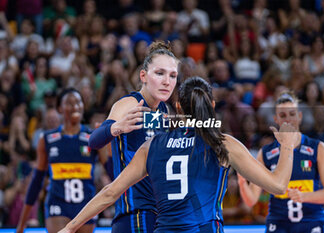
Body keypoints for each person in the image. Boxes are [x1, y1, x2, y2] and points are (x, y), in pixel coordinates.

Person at [58, 76, 298, 233]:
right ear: (212, 106)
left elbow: (110, 193)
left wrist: (70, 228)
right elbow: (278, 186)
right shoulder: (223, 144)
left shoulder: (152, 145)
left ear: (179, 107)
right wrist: (286, 146)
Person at [87, 41, 179, 233]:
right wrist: (116, 127)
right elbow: (93, 141)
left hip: (159, 213)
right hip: (135, 213)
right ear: (143, 76)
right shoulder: (130, 104)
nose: (166, 81)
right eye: (160, 73)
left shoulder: (163, 110)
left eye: (172, 76)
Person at [238, 91, 324, 233]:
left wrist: (304, 196)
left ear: (300, 116)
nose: (288, 119)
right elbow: (251, 200)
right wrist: (242, 182)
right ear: (276, 119)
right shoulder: (266, 153)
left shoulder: (317, 147)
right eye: (283, 115)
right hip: (279, 225)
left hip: (311, 222)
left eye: (292, 114)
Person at [16, 88, 109, 233]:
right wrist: (21, 224)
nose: (75, 107)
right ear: (60, 108)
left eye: (78, 102)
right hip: (58, 204)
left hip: (86, 205)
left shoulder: (93, 136)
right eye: (70, 103)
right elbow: (36, 181)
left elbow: (112, 171)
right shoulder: (47, 139)